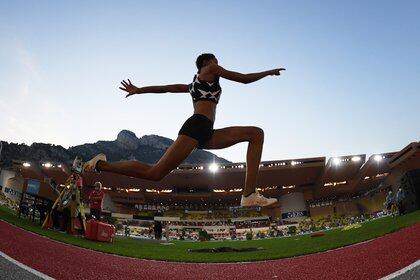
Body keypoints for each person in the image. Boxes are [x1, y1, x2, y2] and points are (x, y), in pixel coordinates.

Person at [83, 53, 285, 207]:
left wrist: (139, 90)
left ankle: (249, 194)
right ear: (208, 63)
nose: (217, 64)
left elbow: (166, 88)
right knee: (155, 173)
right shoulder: (210, 70)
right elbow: (242, 78)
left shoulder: (193, 84)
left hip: (206, 131)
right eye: (215, 60)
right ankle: (100, 164)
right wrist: (266, 73)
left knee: (256, 134)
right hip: (197, 126)